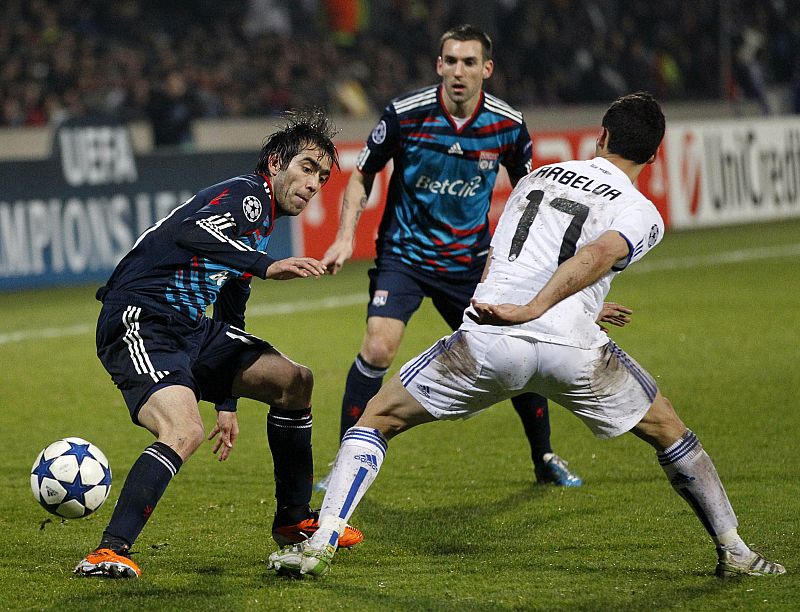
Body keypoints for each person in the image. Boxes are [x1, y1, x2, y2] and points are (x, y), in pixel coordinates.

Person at [267, 92, 785, 579]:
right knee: (669, 428)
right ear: (653, 155)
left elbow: (510, 260)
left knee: (376, 418)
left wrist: (531, 306)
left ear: (600, 137)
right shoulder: (641, 211)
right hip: (574, 350)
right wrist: (551, 307)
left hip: (491, 340)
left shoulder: (538, 179)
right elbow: (597, 255)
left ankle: (321, 541)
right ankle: (735, 549)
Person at [73, 109, 362, 579]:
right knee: (183, 431)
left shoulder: (259, 221)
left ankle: (293, 520)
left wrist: (228, 400)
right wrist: (267, 263)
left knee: (293, 381)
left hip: (191, 327)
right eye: (307, 168)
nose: (314, 185)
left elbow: (231, 302)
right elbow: (193, 231)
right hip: (142, 318)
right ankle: (109, 551)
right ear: (274, 163)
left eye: (323, 178)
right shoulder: (249, 196)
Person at [318, 24, 583, 492]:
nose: (458, 72)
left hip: (468, 264)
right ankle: (345, 462)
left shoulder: (507, 124)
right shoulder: (406, 114)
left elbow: (530, 196)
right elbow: (362, 176)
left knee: (513, 356)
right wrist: (344, 237)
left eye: (468, 62)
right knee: (378, 346)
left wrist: (522, 263)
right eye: (451, 61)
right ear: (439, 65)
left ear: (487, 68)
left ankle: (543, 456)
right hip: (404, 254)